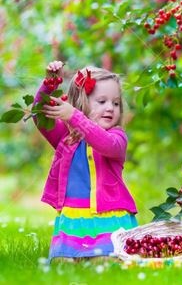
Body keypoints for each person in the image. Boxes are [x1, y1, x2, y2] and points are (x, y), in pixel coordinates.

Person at [34, 60, 138, 262]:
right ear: (81, 102)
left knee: (106, 261)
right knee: (62, 263)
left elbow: (104, 143)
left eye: (116, 103)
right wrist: (49, 84)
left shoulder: (117, 137)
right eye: (102, 101)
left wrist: (74, 116)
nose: (110, 108)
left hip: (110, 217)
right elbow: (40, 115)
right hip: (74, 218)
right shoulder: (66, 137)